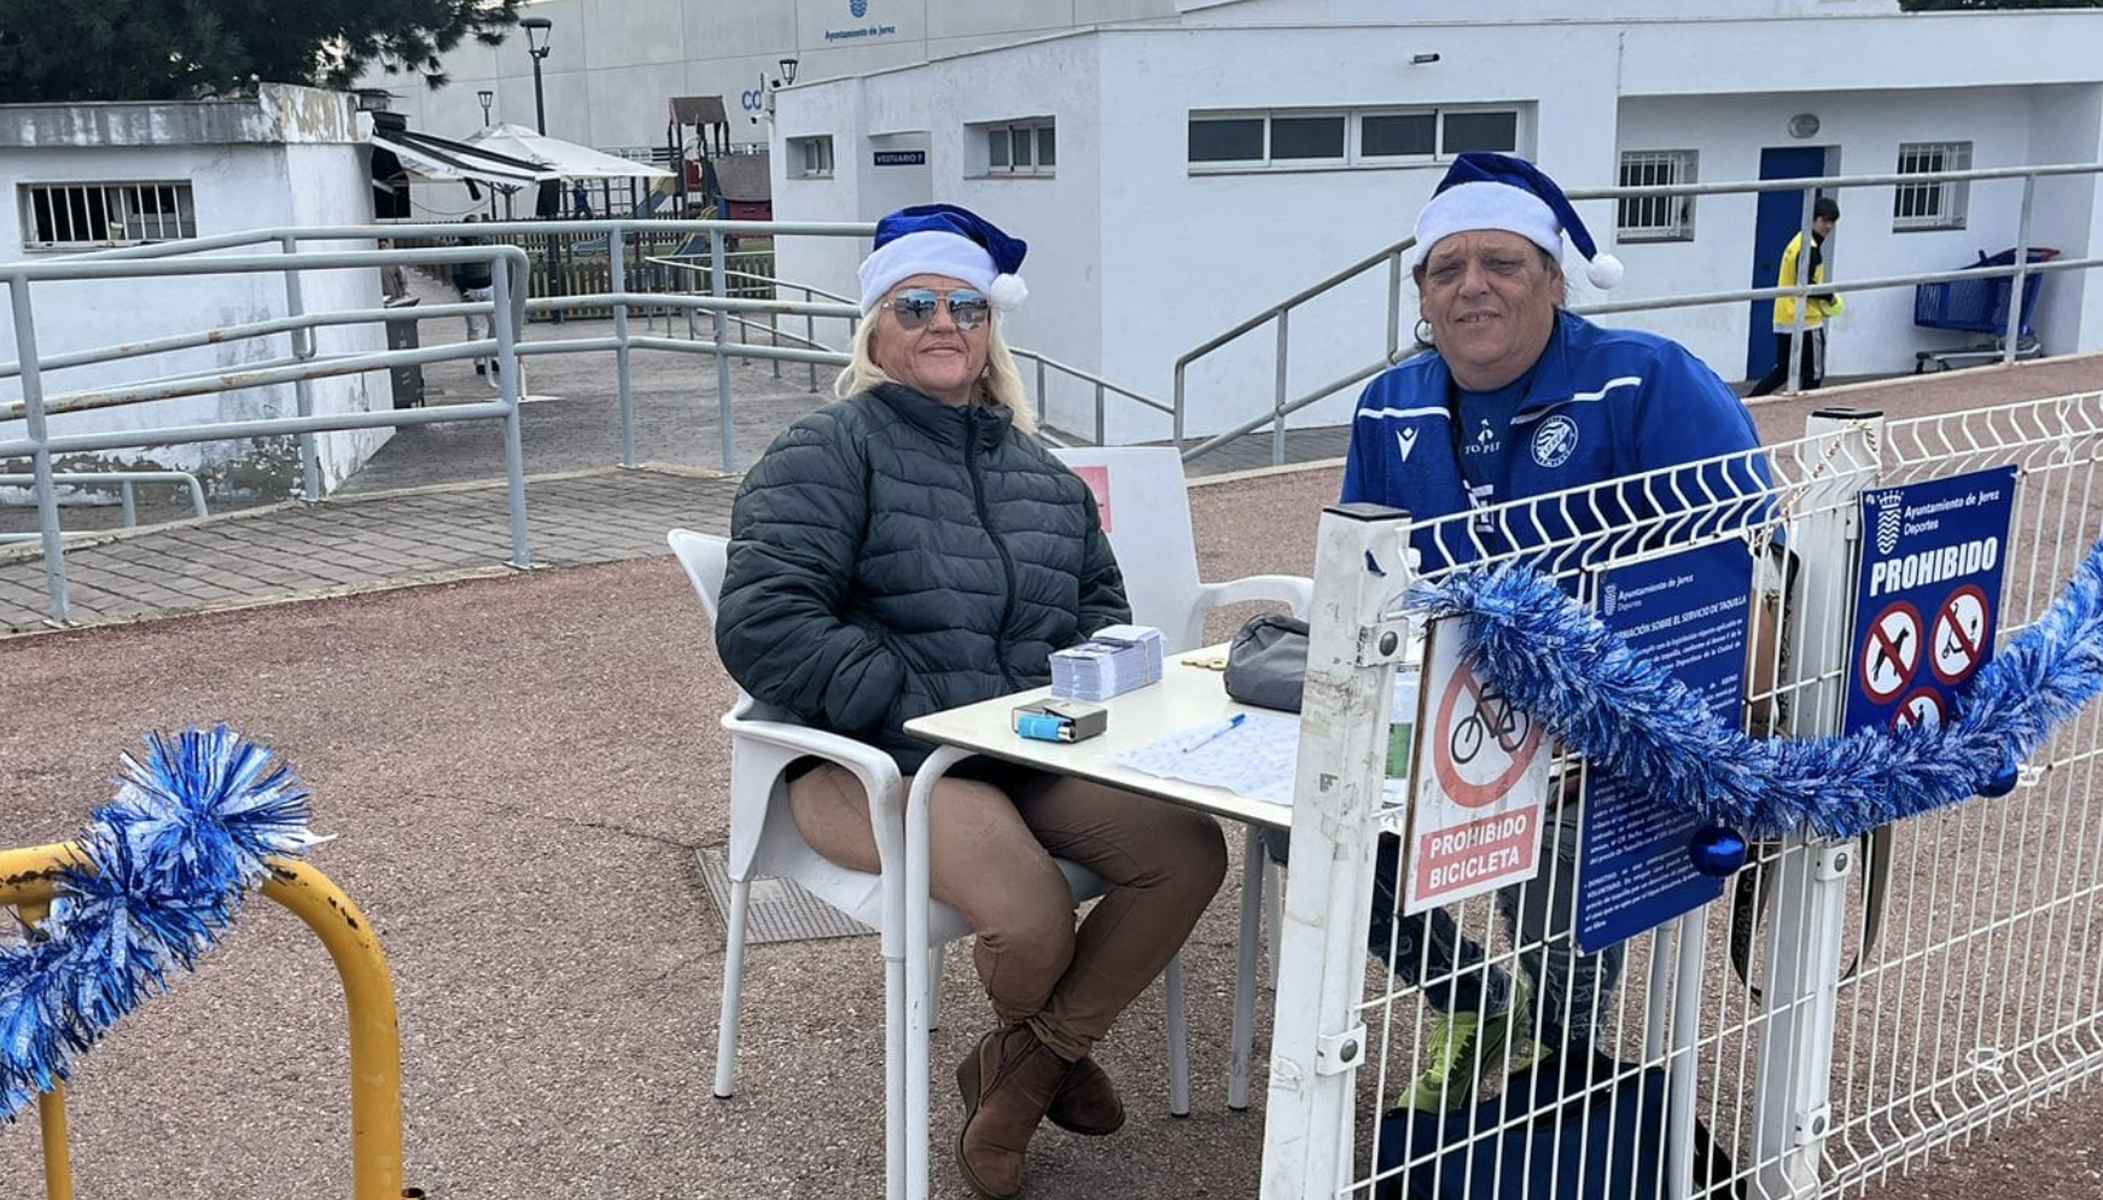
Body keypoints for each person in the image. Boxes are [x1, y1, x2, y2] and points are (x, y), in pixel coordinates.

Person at [713, 204, 1228, 1200]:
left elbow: (1099, 608)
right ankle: (1047, 1063)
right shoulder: (828, 450)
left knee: (1185, 850)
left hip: (1023, 747)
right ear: (877, 327)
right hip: (863, 762)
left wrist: (1061, 683)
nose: (945, 324)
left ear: (993, 330)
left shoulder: (1044, 475)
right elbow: (765, 623)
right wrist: (916, 705)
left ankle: (1018, 1072)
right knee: (1032, 917)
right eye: (917, 306)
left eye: (967, 306)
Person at [1331, 153, 1776, 1112]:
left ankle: (1555, 1055)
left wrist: (1720, 728)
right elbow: (1359, 577)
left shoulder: (1649, 381)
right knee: (1310, 823)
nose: (1472, 286)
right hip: (1440, 701)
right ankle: (1474, 1001)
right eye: (1445, 269)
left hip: (1607, 715)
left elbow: (1749, 558)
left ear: (1553, 279)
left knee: (1556, 854)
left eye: (1501, 262)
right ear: (1420, 293)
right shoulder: (1389, 402)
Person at [1749, 196, 1843, 396]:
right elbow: (1807, 285)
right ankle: (1805, 415)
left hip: (1784, 315)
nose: (1828, 226)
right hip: (1806, 320)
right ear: (1814, 219)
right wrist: (1830, 297)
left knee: (1783, 370)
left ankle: (1749, 403)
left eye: (1832, 221)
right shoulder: (1810, 248)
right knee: (1813, 375)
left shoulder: (1798, 241)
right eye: (1824, 220)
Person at [451, 215, 497, 387]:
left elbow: (494, 260)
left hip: (487, 286)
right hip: (470, 289)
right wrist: (463, 290)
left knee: (495, 323)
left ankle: (491, 356)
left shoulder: (486, 241)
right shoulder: (459, 246)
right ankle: (478, 361)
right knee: (474, 327)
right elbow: (456, 270)